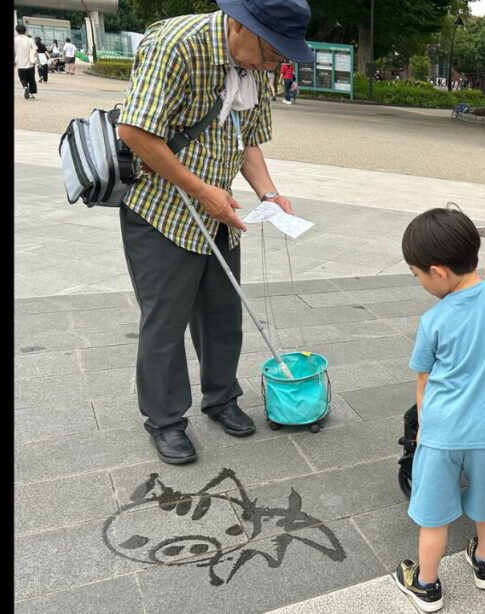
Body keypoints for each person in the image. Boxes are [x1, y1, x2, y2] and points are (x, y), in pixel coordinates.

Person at [114, 0, 315, 465]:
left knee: (223, 314)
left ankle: (221, 398)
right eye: (270, 54)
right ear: (242, 26)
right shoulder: (176, 45)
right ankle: (165, 421)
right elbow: (135, 132)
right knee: (164, 322)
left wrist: (268, 194)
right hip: (164, 208)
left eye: (280, 59)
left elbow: (246, 139)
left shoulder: (259, 66)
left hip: (220, 211)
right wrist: (201, 190)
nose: (273, 66)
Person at [395, 208, 485, 613]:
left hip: (442, 434)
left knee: (434, 516)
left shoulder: (434, 319)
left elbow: (423, 379)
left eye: (417, 274)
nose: (420, 282)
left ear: (438, 272)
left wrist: (423, 428)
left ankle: (425, 585)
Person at [14, 24, 39, 100]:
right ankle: (31, 94)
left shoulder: (14, 40)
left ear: (17, 31)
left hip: (19, 63)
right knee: (31, 79)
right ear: (25, 31)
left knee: (22, 78)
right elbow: (35, 52)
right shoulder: (30, 40)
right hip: (30, 63)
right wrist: (38, 62)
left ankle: (25, 87)